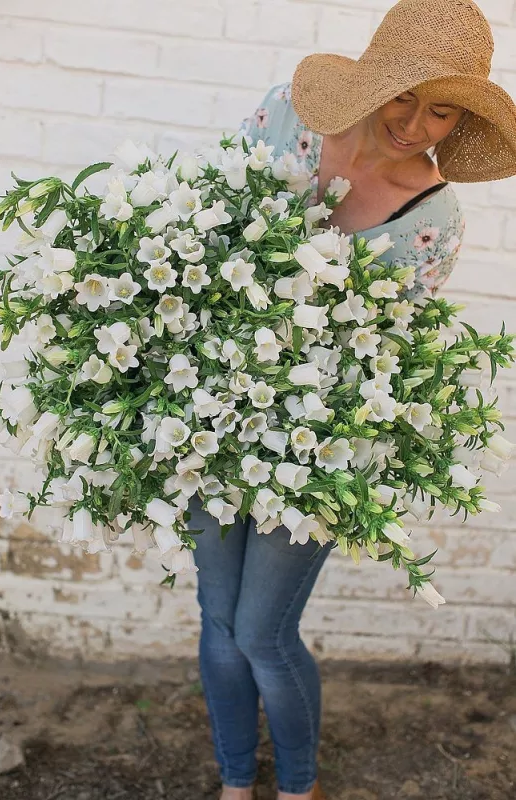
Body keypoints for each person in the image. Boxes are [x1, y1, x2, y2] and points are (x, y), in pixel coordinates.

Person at [191, 2, 516, 799]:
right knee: (219, 623)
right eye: (403, 95)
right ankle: (237, 784)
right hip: (205, 414)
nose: (414, 123)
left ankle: (297, 789)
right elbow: (203, 227)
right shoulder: (285, 118)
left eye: (442, 109)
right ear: (374, 80)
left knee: (263, 632)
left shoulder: (432, 216)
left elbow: (390, 353)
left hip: (320, 446)